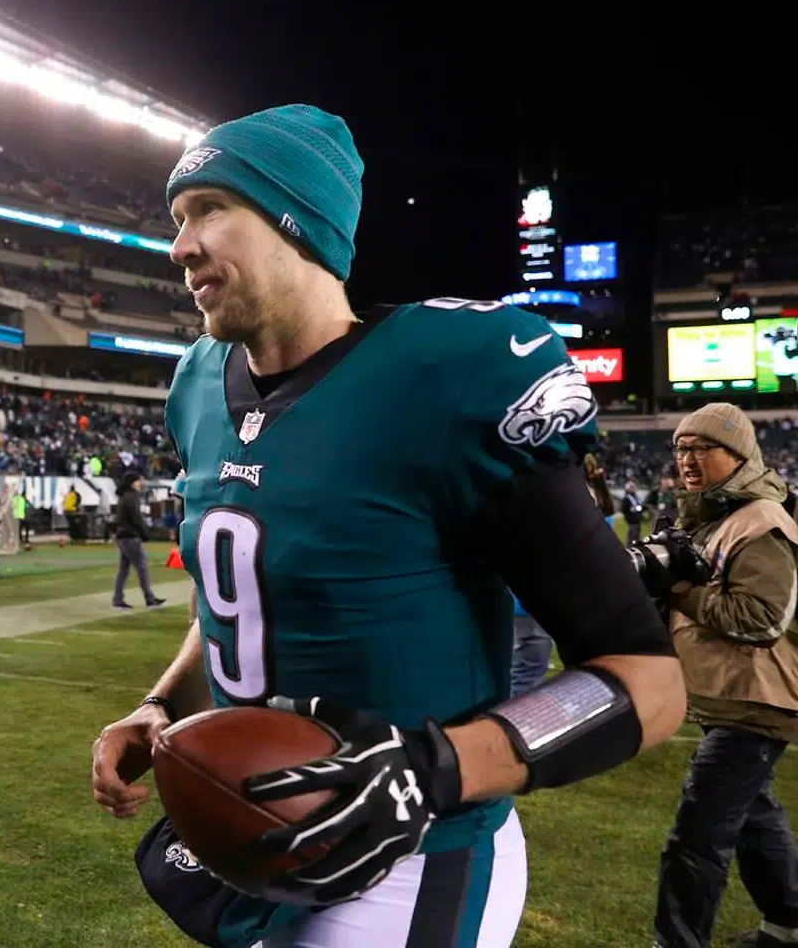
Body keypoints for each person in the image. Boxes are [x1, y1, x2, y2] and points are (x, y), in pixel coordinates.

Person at [90, 104, 685, 948]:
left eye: (212, 209)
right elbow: (238, 602)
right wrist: (161, 707)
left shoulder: (445, 376)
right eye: (178, 219)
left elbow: (649, 682)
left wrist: (433, 768)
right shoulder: (197, 386)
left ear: (301, 222)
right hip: (262, 848)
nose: (181, 246)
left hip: (413, 857)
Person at [644, 404, 798, 948]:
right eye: (680, 448)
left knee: (697, 836)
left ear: (739, 456)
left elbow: (761, 618)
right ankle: (787, 926)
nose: (687, 458)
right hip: (733, 697)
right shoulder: (713, 516)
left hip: (756, 699)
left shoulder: (761, 520)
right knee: (756, 821)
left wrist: (678, 589)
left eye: (701, 448)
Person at [112, 472, 164, 610]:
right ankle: (150, 599)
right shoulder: (132, 497)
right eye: (138, 481)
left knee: (123, 570)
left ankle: (117, 599)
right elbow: (137, 519)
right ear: (132, 482)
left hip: (122, 536)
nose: (140, 483)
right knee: (142, 568)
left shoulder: (124, 496)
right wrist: (145, 534)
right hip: (130, 536)